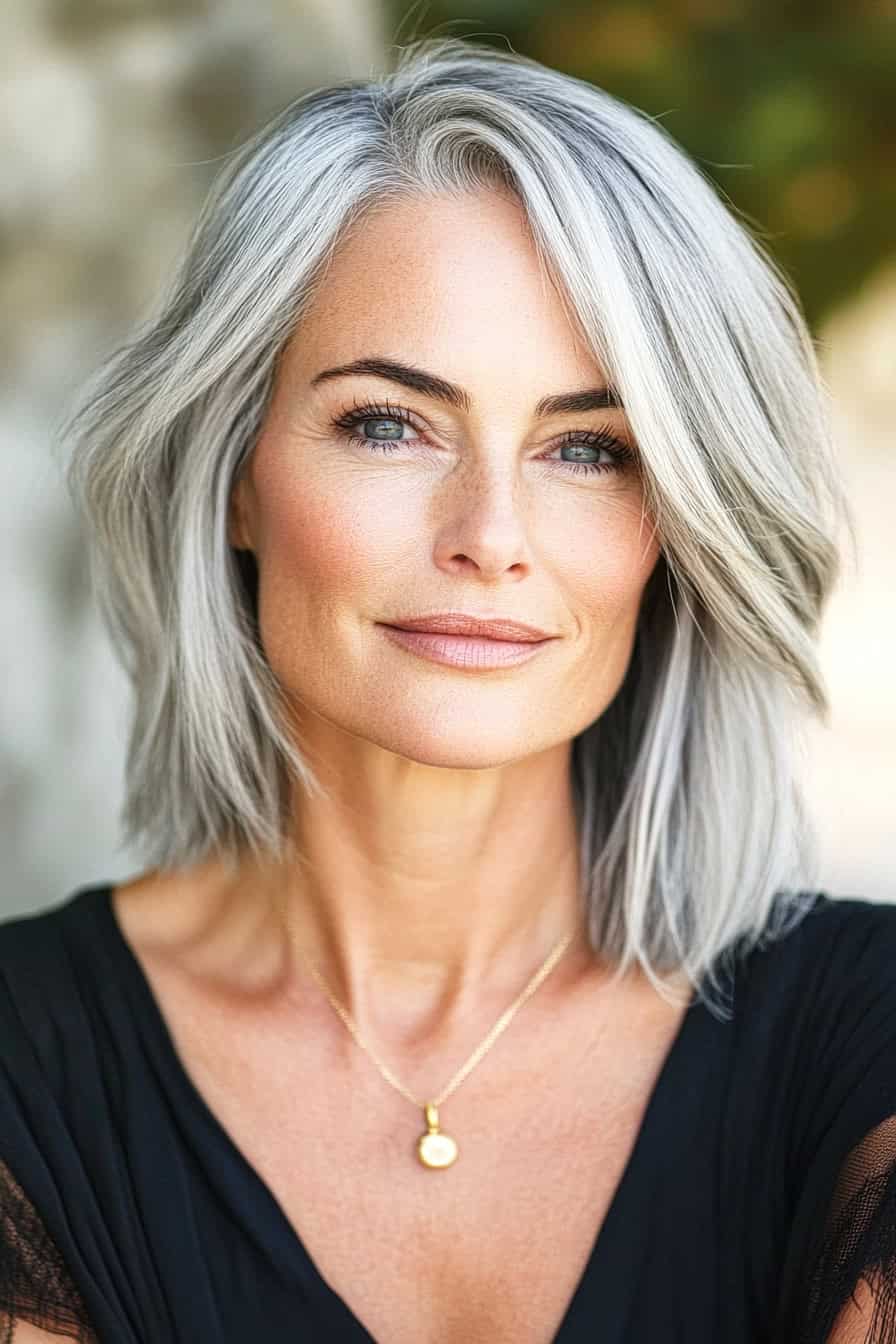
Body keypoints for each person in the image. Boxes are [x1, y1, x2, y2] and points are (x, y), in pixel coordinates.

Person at [0, 33, 893, 1344]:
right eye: (387, 423)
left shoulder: (863, 1035)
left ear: (679, 521)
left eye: (589, 447)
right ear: (239, 475)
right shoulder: (28, 1067)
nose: (492, 532)